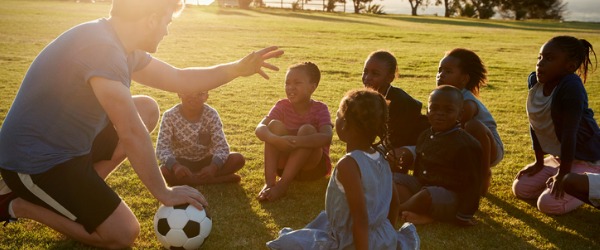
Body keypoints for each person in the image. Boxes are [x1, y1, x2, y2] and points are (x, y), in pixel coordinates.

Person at [0, 0, 283, 248]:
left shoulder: (121, 44)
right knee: (123, 233)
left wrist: (236, 69)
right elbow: (130, 131)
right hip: (34, 163)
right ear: (150, 19)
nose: (166, 30)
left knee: (146, 107)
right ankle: (17, 204)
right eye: (167, 21)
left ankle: (84, 189)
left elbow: (179, 78)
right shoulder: (103, 49)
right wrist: (163, 191)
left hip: (67, 146)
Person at [266, 89, 420, 250]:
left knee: (291, 243)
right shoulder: (382, 157)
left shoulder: (348, 164)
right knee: (324, 220)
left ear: (345, 125)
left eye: (338, 116)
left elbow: (360, 219)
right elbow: (394, 203)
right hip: (383, 237)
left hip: (353, 242)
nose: (334, 121)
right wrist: (387, 234)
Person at [513, 35, 600, 215]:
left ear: (570, 66)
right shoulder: (535, 81)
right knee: (521, 189)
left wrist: (563, 175)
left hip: (588, 158)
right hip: (561, 157)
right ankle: (559, 177)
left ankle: (591, 180)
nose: (540, 63)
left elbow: (570, 133)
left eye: (550, 58)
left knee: (548, 204)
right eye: (540, 57)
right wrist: (538, 162)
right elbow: (536, 121)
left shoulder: (571, 86)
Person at [394, 85, 482, 226]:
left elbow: (473, 185)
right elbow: (419, 168)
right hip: (423, 185)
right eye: (434, 108)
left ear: (460, 114)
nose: (440, 114)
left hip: (450, 197)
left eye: (448, 110)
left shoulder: (466, 144)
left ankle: (395, 211)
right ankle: (418, 211)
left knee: (427, 195)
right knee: (394, 180)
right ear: (427, 111)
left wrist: (463, 216)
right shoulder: (425, 135)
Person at [255, 62, 333, 202]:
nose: (291, 87)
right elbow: (260, 128)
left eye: (297, 83)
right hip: (284, 168)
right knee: (273, 126)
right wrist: (275, 139)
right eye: (287, 83)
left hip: (312, 169)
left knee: (307, 130)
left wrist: (295, 141)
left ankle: (282, 186)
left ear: (312, 87)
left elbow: (327, 137)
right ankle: (270, 183)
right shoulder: (282, 105)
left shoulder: (320, 108)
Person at [436, 48, 504, 195]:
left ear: (464, 79)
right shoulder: (440, 98)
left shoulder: (467, 102)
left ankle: (484, 175)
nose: (440, 75)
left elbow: (454, 128)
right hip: (466, 146)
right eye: (439, 70)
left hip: (490, 149)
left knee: (472, 125)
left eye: (448, 71)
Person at [156, 91, 245, 186]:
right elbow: (162, 148)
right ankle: (214, 180)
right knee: (163, 171)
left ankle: (192, 180)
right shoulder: (169, 115)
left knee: (238, 159)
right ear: (179, 93)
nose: (194, 97)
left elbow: (222, 147)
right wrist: (176, 166)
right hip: (182, 162)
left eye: (200, 93)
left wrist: (213, 167)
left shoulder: (211, 114)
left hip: (208, 160)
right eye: (189, 92)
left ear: (206, 96)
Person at [361, 50, 429, 172]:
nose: (367, 77)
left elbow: (396, 142)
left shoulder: (400, 102)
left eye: (375, 74)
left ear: (389, 78)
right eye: (365, 71)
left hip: (417, 146)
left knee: (390, 156)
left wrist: (373, 150)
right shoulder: (366, 97)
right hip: (393, 143)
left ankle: (393, 182)